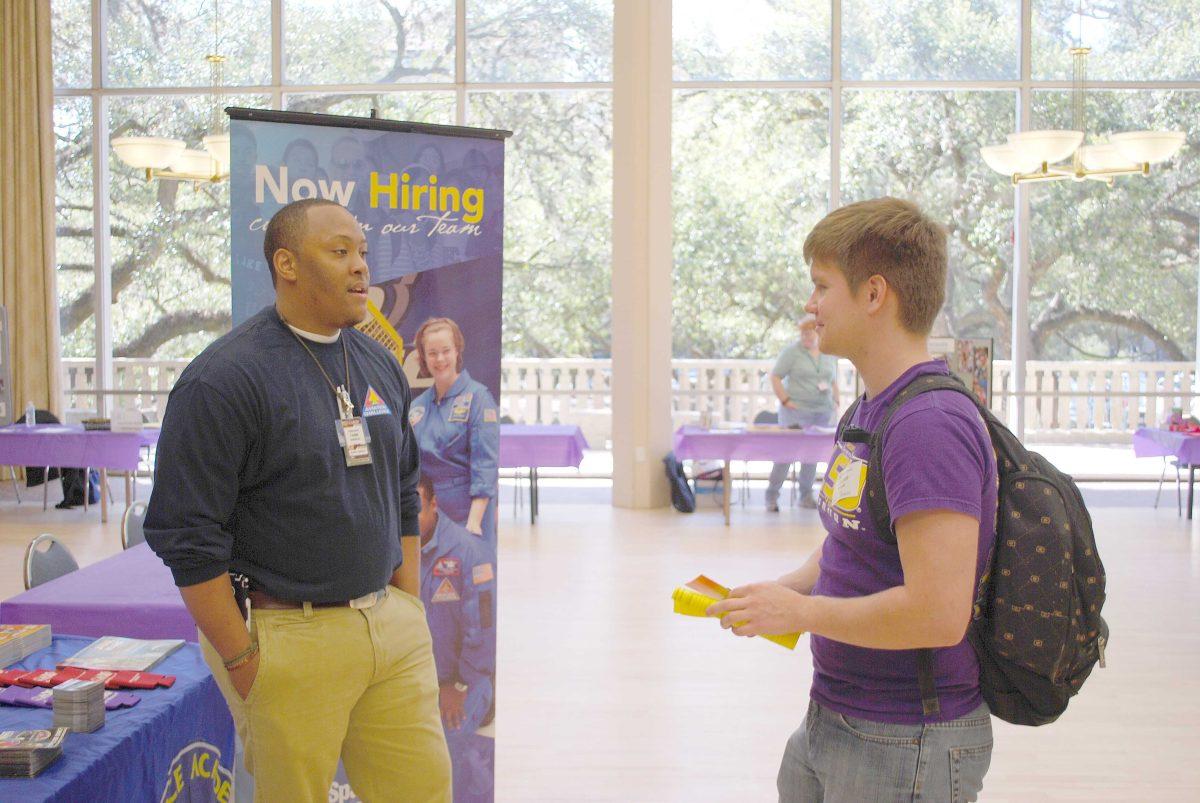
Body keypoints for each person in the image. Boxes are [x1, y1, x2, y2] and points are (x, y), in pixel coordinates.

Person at [144, 198, 451, 802]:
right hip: (287, 635)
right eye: (340, 252)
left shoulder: (379, 363)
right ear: (286, 263)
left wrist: (407, 607)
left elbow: (403, 489)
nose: (361, 267)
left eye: (362, 252)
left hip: (390, 631)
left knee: (424, 791)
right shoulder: (223, 381)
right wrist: (243, 662)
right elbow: (186, 537)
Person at [707, 197, 998, 802]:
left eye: (821, 286)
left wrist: (802, 615)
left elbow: (939, 613)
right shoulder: (869, 409)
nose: (810, 306)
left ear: (873, 294)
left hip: (906, 739)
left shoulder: (929, 426)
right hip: (835, 715)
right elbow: (849, 540)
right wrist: (782, 591)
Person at [418, 475, 497, 802]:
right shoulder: (391, 548)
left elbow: (484, 632)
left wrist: (459, 686)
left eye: (417, 508)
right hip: (413, 681)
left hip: (463, 683)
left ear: (434, 504)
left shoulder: (469, 553)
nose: (409, 518)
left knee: (441, 754)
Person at [410, 317, 500, 547]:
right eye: (432, 353)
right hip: (428, 519)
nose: (440, 359)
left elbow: (485, 466)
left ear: (457, 351)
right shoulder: (417, 406)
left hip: (467, 518)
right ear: (423, 357)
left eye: (445, 351)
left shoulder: (479, 399)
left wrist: (473, 524)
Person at [766, 315, 840, 511]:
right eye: (803, 332)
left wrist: (836, 399)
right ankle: (772, 496)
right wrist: (785, 400)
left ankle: (806, 496)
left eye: (810, 332)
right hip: (795, 412)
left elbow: (832, 379)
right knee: (786, 454)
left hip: (822, 411)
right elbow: (775, 376)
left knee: (812, 456)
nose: (806, 336)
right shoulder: (792, 352)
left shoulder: (828, 352)